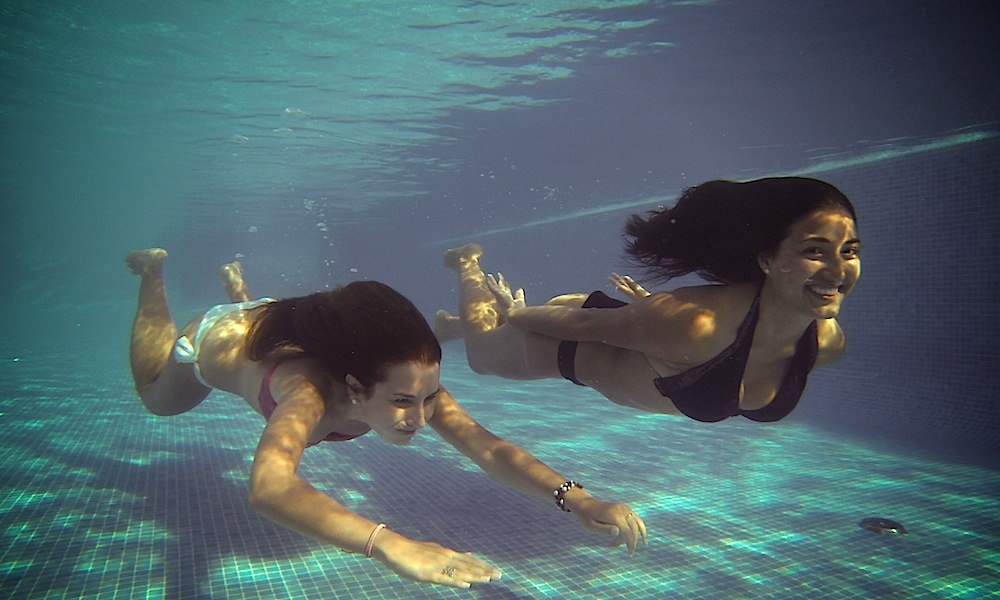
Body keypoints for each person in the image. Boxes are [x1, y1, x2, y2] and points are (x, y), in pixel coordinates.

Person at [125, 249, 646, 590]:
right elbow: (268, 488)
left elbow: (486, 447)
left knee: (270, 340)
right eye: (401, 401)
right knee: (157, 396)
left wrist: (576, 498)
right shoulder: (308, 396)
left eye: (429, 397)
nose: (420, 418)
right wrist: (391, 544)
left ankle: (244, 292)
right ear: (355, 388)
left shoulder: (409, 384)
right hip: (215, 338)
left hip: (273, 328)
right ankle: (153, 271)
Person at [438, 176, 860, 422]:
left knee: (495, 338)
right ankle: (466, 264)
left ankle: (455, 325)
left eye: (849, 251)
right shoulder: (695, 324)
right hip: (569, 342)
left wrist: (655, 315)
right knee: (481, 357)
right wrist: (518, 313)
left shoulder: (826, 343)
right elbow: (584, 325)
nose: (838, 272)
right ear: (768, 259)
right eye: (815, 251)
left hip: (638, 329)